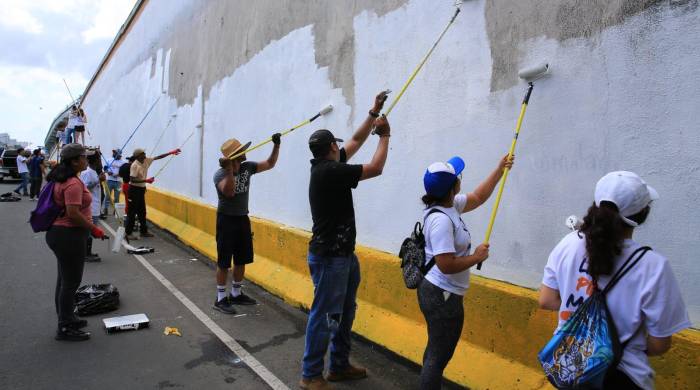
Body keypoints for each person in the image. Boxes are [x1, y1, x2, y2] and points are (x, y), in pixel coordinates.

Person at [539, 171, 691, 390]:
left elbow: (546, 299)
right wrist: (617, 341)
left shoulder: (568, 244)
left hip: (570, 366)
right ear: (642, 215)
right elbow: (659, 344)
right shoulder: (653, 265)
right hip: (622, 375)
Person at [300, 92, 390, 390]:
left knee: (344, 311)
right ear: (330, 148)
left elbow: (356, 139)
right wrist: (385, 136)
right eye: (337, 144)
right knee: (325, 314)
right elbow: (375, 168)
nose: (342, 146)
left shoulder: (326, 166)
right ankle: (311, 374)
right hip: (330, 258)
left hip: (343, 256)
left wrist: (373, 113)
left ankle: (338, 365)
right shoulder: (331, 172)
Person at [417, 154, 514, 389]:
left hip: (441, 292)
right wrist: (476, 257)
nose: (461, 180)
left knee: (435, 351)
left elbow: (479, 197)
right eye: (458, 176)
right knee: (438, 356)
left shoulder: (448, 205)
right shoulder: (441, 220)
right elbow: (446, 264)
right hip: (442, 295)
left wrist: (500, 169)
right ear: (454, 186)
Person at [212, 134, 281, 314]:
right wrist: (229, 170)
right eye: (241, 151)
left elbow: (270, 163)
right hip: (226, 219)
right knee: (224, 261)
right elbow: (229, 193)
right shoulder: (220, 174)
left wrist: (276, 145)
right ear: (234, 156)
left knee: (242, 258)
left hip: (242, 218)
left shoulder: (248, 167)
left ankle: (236, 293)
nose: (245, 153)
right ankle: (220, 298)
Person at [45, 143, 106, 341]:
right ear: (74, 161)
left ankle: (67, 317)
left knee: (64, 280)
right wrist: (94, 229)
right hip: (68, 236)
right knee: (71, 282)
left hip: (62, 234)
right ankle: (64, 326)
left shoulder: (64, 179)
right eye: (84, 157)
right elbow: (73, 214)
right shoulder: (72, 183)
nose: (86, 160)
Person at [125, 147, 180, 240]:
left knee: (142, 211)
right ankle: (128, 233)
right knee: (132, 212)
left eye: (144, 154)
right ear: (138, 156)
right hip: (133, 190)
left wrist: (171, 152)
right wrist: (146, 180)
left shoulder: (146, 160)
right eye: (143, 154)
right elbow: (132, 179)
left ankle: (143, 231)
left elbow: (158, 157)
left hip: (141, 190)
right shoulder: (134, 165)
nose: (145, 155)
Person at [80, 151, 106, 262]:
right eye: (99, 160)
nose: (101, 162)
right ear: (95, 161)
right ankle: (85, 254)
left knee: (90, 231)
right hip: (90, 207)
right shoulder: (87, 173)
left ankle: (87, 252)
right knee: (89, 231)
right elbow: (84, 188)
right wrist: (98, 180)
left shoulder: (94, 172)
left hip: (95, 206)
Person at [103, 149, 125, 215]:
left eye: (115, 153)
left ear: (119, 155)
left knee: (117, 197)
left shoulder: (123, 162)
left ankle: (116, 211)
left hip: (118, 182)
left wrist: (118, 174)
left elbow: (123, 171)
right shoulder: (109, 160)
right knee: (107, 196)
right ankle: (105, 209)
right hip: (109, 180)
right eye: (114, 152)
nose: (113, 153)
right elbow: (105, 168)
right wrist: (107, 172)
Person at [119, 156, 134, 224]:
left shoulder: (124, 165)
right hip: (130, 186)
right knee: (131, 203)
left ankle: (126, 219)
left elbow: (120, 174)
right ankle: (128, 220)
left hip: (124, 185)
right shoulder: (132, 167)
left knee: (127, 202)